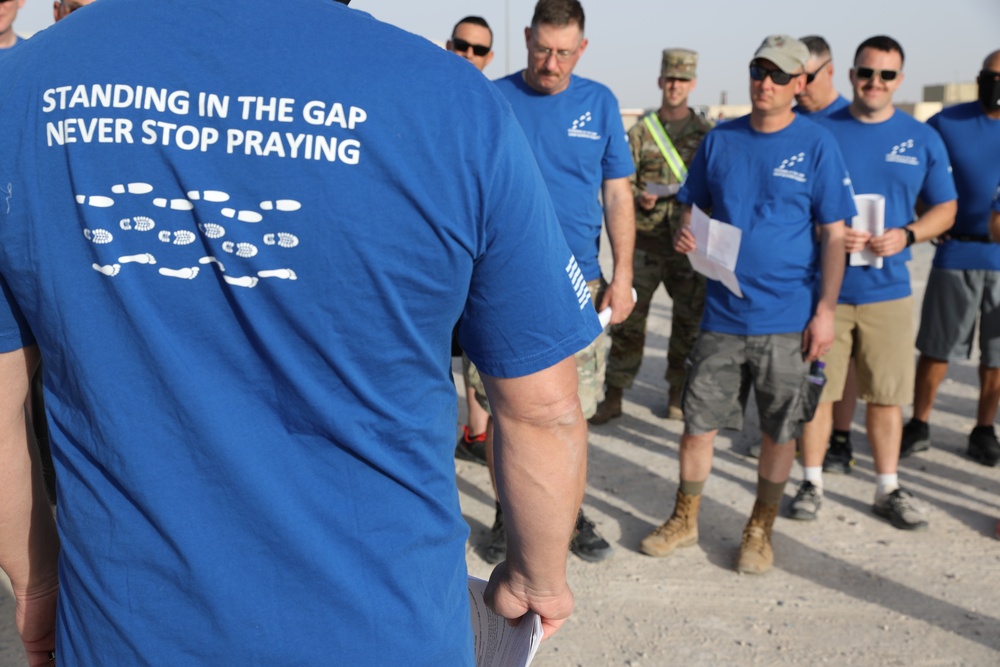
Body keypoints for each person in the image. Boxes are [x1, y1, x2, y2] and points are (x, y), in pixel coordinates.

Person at [0, 0, 599, 663]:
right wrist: (537, 576)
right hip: (385, 631)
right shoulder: (455, 103)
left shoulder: (25, 87)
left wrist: (40, 581)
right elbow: (541, 409)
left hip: (130, 633)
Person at [639, 35, 853, 575]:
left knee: (779, 429)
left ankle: (760, 529)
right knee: (698, 423)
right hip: (724, 315)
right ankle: (684, 518)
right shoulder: (721, 140)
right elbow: (692, 207)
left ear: (800, 84)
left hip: (788, 320)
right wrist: (688, 235)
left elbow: (833, 235)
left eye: (780, 75)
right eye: (759, 70)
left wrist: (826, 309)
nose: (766, 82)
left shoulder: (817, 144)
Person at [476, 0, 636, 565]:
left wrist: (623, 276)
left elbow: (618, 193)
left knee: (574, 413)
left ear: (582, 49)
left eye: (564, 53)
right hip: (503, 286)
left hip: (582, 286)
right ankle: (505, 510)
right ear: (525, 38)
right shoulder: (492, 98)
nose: (551, 63)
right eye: (542, 49)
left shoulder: (599, 102)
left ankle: (568, 513)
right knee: (506, 410)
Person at [792, 36, 957, 531]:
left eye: (886, 75)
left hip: (888, 292)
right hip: (826, 293)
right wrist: (827, 231)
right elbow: (795, 203)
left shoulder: (921, 137)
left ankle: (888, 486)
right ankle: (812, 482)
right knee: (818, 395)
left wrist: (907, 234)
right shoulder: (818, 131)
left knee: (886, 398)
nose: (875, 83)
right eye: (866, 72)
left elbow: (945, 208)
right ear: (850, 75)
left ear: (899, 81)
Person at [590, 48, 712, 425]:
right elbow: (620, 183)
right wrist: (639, 193)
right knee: (627, 322)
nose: (675, 86)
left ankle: (677, 392)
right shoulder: (642, 132)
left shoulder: (707, 135)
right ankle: (615, 394)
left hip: (688, 245)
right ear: (661, 81)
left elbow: (714, 185)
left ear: (692, 84)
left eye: (682, 79)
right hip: (645, 242)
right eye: (670, 79)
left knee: (688, 323)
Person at [901, 51, 1000, 468]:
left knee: (996, 354)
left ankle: (983, 429)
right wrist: (928, 217)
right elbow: (912, 172)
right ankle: (920, 422)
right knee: (938, 348)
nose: (994, 84)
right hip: (956, 250)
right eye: (989, 76)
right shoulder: (947, 122)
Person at [446, 15, 495, 465]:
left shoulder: (494, 109)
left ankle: (476, 436)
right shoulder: (421, 98)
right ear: (449, 45)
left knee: (482, 363)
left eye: (478, 50)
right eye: (462, 45)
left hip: (480, 261)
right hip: (432, 263)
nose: (468, 55)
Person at [794, 35, 850, 118]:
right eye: (793, 78)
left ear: (829, 71)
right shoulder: (779, 124)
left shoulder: (856, 120)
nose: (798, 88)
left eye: (807, 78)